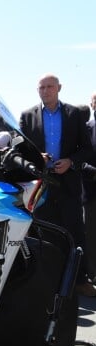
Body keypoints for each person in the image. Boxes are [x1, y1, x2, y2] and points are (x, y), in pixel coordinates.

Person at [19, 74, 96, 296]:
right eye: (41, 87)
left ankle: (80, 280)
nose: (45, 90)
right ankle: (47, 281)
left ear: (59, 88)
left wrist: (71, 161)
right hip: (41, 184)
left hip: (69, 182)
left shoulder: (73, 114)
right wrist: (37, 157)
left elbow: (86, 149)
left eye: (49, 86)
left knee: (74, 232)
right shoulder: (27, 116)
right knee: (43, 233)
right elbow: (22, 148)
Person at [82, 93, 96, 278]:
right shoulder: (85, 129)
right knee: (91, 236)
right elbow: (79, 160)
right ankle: (92, 274)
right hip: (92, 191)